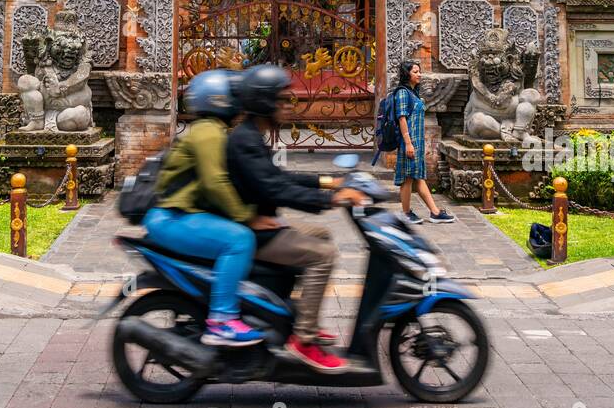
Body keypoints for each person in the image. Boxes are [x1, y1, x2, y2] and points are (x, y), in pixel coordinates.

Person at [226, 65, 368, 373]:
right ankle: (303, 339)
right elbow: (274, 188)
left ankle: (303, 318)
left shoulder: (252, 135)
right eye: (279, 100)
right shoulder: (244, 140)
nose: (285, 106)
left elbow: (279, 176)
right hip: (253, 230)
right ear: (264, 103)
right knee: (323, 256)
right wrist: (329, 199)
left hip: (262, 222)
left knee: (320, 235)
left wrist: (328, 182)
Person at [143, 69, 273, 348]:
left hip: (180, 215)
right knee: (239, 239)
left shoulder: (212, 130)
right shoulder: (208, 132)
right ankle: (222, 320)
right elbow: (216, 182)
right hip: (172, 218)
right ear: (218, 100)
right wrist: (246, 216)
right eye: (233, 96)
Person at [394, 58, 456, 226]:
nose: (419, 74)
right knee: (408, 178)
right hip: (409, 142)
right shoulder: (402, 93)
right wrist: (408, 143)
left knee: (418, 177)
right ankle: (409, 213)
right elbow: (401, 118)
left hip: (417, 144)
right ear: (407, 74)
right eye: (415, 72)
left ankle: (434, 212)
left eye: (419, 71)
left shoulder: (414, 93)